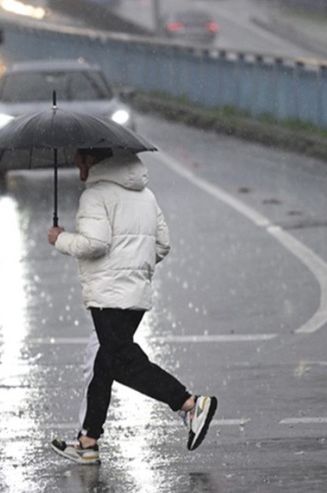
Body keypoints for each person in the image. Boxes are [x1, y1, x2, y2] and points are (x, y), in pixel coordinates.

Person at [47, 147, 217, 464]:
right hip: (135, 295)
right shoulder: (145, 195)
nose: (74, 165)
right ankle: (88, 442)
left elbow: (95, 244)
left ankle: (189, 404)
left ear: (89, 160)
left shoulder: (95, 195)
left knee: (121, 362)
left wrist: (60, 239)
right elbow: (162, 244)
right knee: (102, 362)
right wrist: (134, 265)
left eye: (78, 159)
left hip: (108, 296)